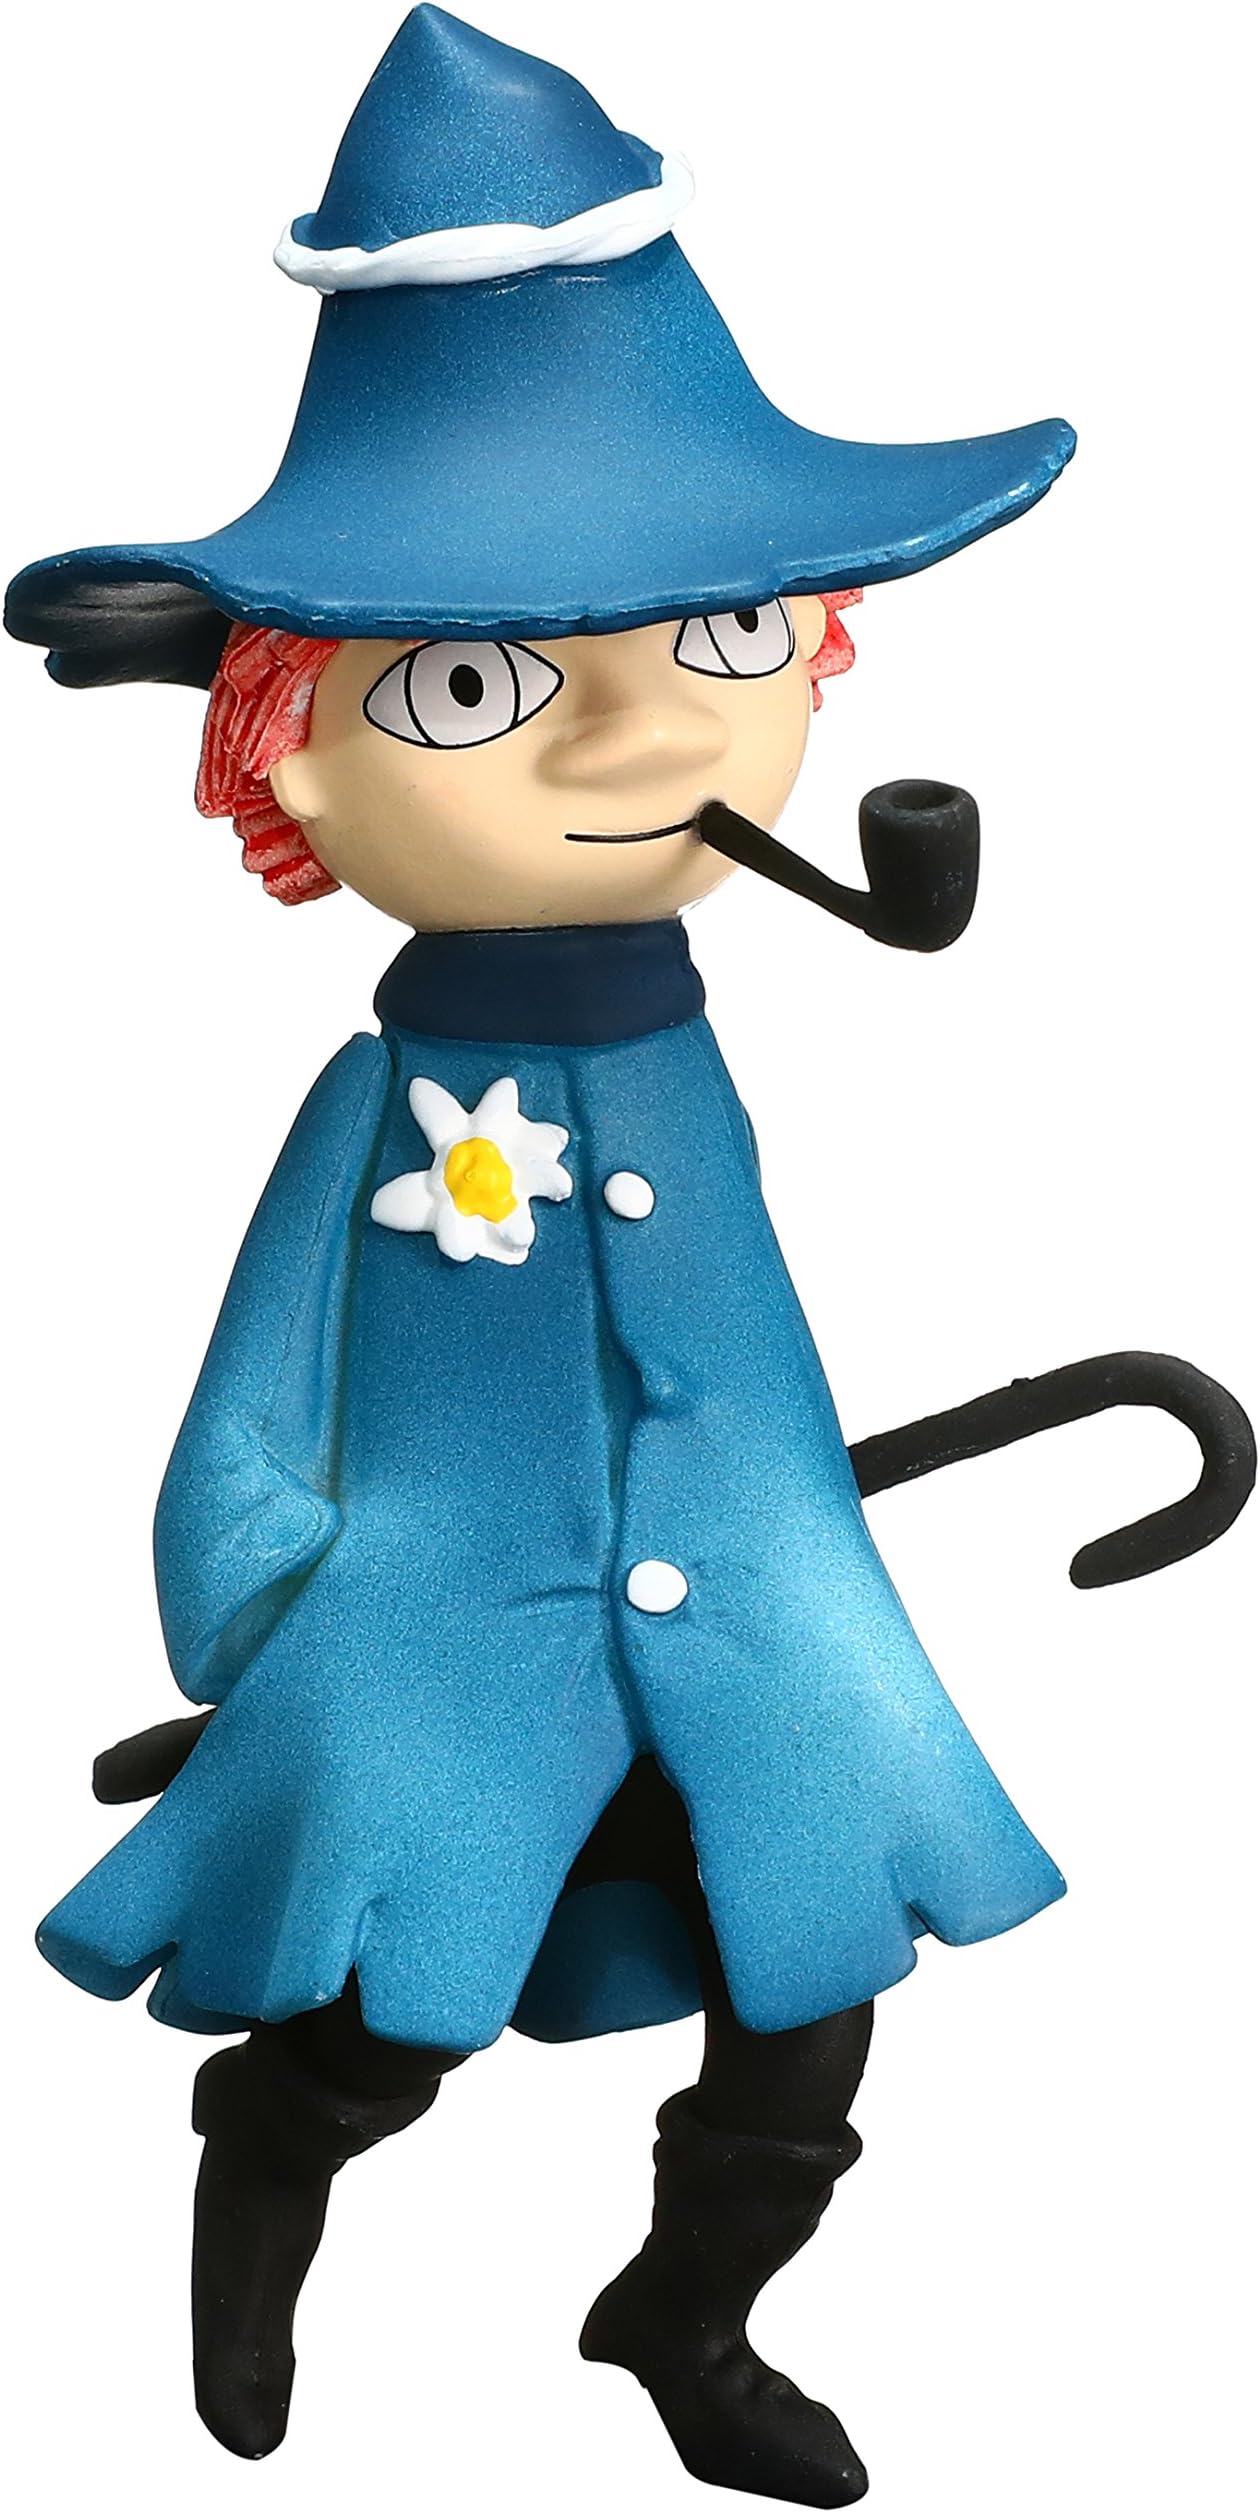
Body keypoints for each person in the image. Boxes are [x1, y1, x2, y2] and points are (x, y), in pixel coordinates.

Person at [4, 11, 1082, 2505]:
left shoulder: (695, 1073)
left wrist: (774, 1502)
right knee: (400, 1998)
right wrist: (271, 1617)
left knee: (811, 1992)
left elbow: (724, 1337)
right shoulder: (376, 1108)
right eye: (484, 683)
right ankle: (267, 2165)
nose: (638, 743)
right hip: (436, 1634)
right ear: (282, 737)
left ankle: (682, 2311)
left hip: (765, 1623)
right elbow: (257, 1395)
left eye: (719, 641)